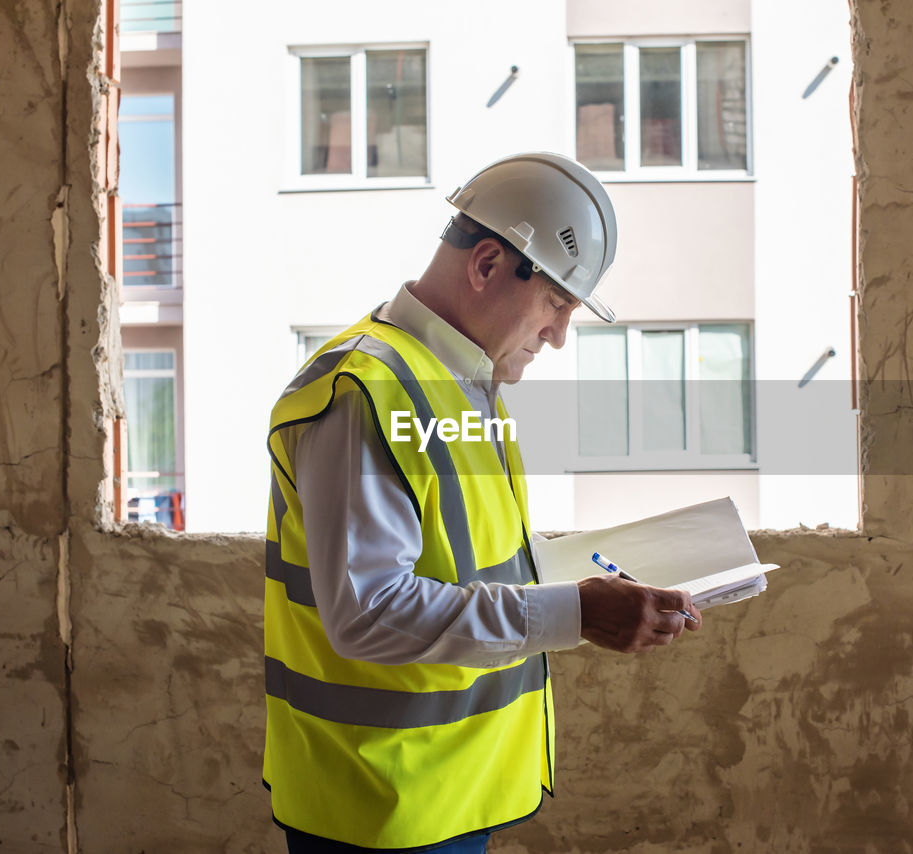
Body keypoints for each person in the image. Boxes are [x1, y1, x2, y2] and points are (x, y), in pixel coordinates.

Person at [262, 152, 701, 853]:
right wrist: (579, 611)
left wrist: (596, 581)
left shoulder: (460, 382)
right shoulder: (365, 392)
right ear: (489, 264)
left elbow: (469, 558)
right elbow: (368, 613)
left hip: (449, 791)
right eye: (557, 303)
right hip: (379, 807)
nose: (560, 333)